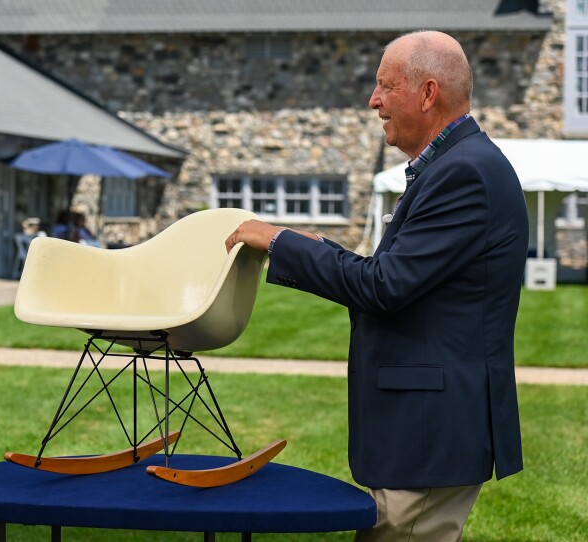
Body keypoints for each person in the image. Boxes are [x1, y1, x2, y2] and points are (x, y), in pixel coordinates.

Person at [226, 31, 527, 541]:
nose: (373, 101)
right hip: (427, 433)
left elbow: (382, 287)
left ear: (428, 93)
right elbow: (398, 276)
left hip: (428, 436)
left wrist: (279, 242)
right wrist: (314, 242)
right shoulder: (457, 165)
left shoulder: (464, 174)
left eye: (386, 86)